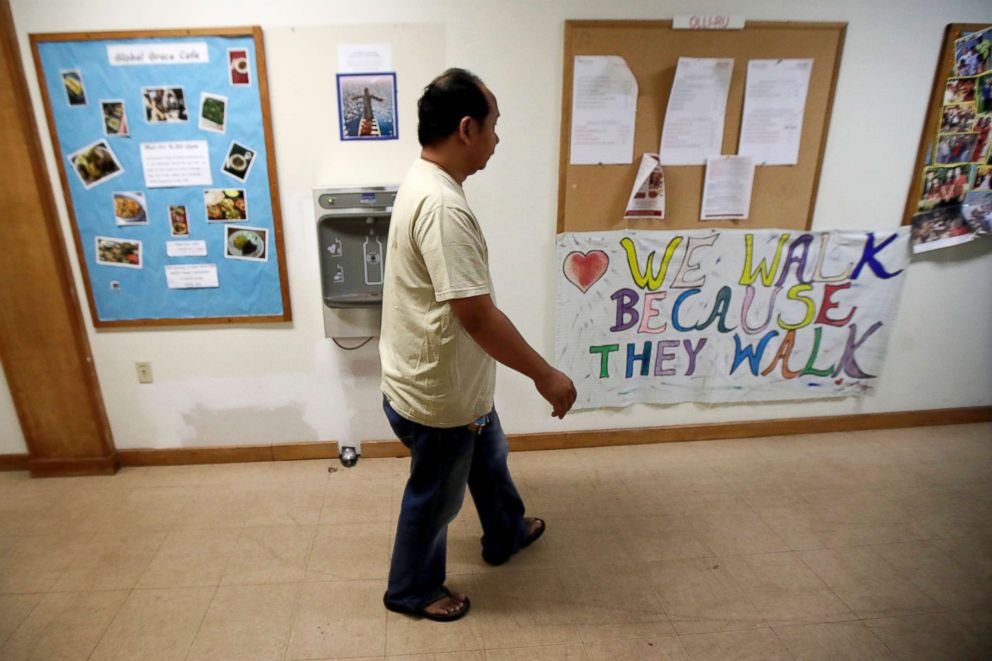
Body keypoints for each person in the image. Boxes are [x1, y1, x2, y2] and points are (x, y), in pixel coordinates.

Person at [378, 68, 577, 622]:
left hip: (448, 382)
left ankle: (506, 532)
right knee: (436, 498)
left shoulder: (425, 181)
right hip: (439, 396)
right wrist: (545, 375)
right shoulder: (443, 207)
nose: (497, 139)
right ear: (467, 129)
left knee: (488, 458)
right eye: (494, 126)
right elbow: (477, 315)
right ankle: (411, 590)